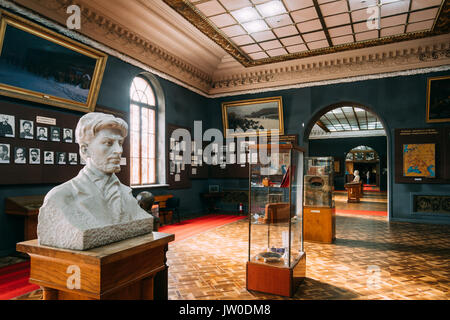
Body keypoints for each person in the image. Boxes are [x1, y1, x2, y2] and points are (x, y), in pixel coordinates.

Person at [37, 112, 153, 250]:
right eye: (108, 143)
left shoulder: (126, 194)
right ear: (85, 150)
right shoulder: (60, 197)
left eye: (120, 143)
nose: (118, 150)